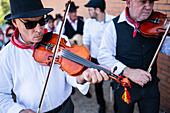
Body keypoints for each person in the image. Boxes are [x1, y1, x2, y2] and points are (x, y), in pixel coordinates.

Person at [0, 0, 109, 113]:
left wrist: (81, 77)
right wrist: (19, 111)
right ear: (15, 22)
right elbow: (1, 95)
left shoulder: (59, 41)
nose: (38, 29)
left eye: (42, 21)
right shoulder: (6, 56)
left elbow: (69, 75)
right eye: (30, 24)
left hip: (65, 108)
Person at [98, 0, 170, 113]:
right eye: (142, 2)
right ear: (128, 2)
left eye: (151, 2)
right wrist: (128, 71)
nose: (148, 7)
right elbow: (104, 57)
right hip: (124, 87)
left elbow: (167, 48)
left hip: (150, 88)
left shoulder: (158, 24)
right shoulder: (113, 26)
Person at [83, 0, 115, 113]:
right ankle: (101, 104)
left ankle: (117, 106)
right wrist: (86, 61)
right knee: (97, 84)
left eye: (90, 10)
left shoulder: (113, 21)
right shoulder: (88, 23)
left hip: (112, 59)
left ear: (97, 10)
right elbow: (86, 42)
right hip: (95, 58)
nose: (88, 12)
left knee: (115, 84)